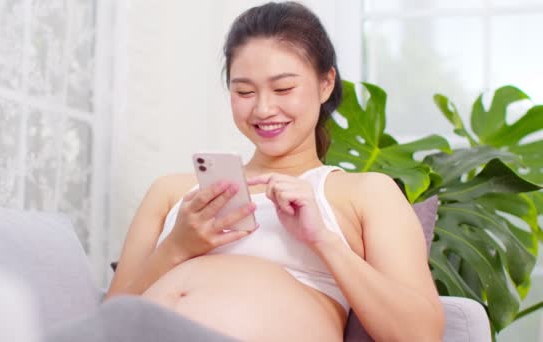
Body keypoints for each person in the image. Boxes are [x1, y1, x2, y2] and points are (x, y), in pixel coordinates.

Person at [106, 2, 445, 341]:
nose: (263, 108)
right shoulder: (171, 192)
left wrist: (322, 240)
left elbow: (421, 335)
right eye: (244, 91)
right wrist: (176, 248)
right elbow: (107, 320)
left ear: (326, 84)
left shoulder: (367, 193)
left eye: (283, 89)